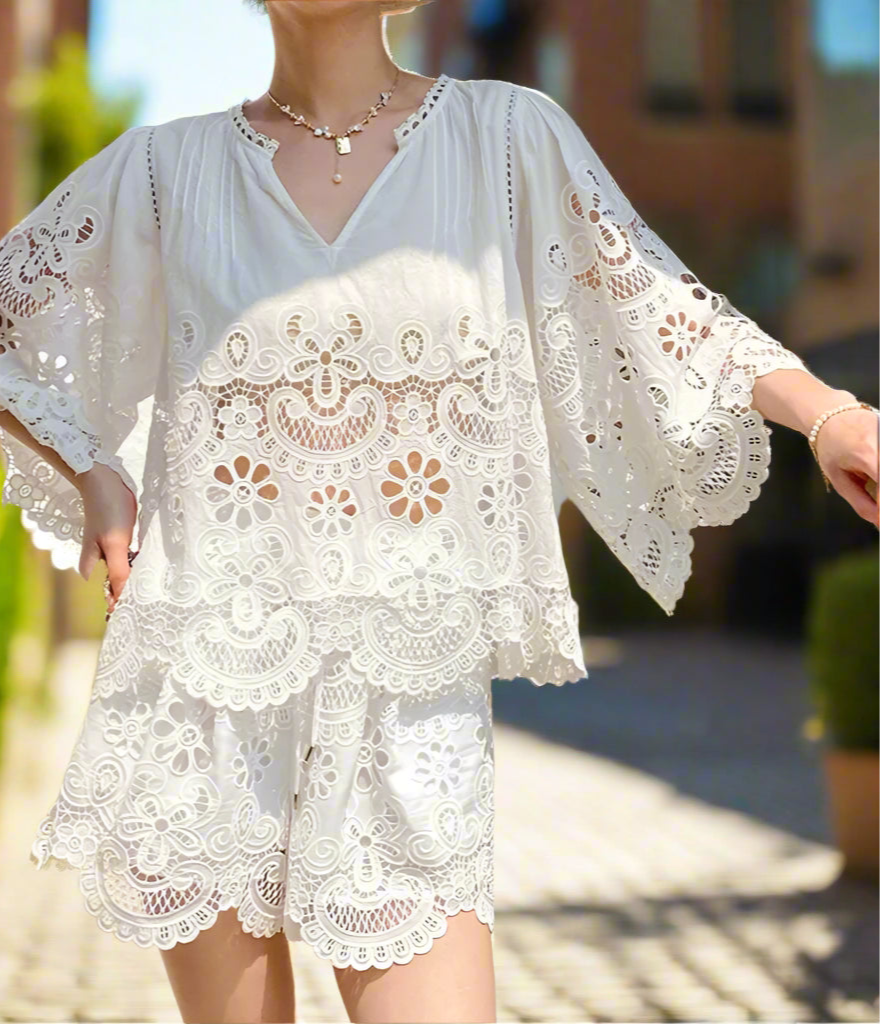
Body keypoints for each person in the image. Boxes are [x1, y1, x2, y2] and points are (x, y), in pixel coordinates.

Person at [0, 1, 878, 1022]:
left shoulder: (503, 135)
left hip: (407, 701)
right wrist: (92, 463)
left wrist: (828, 418)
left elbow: (652, 295)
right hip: (198, 689)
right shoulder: (159, 170)